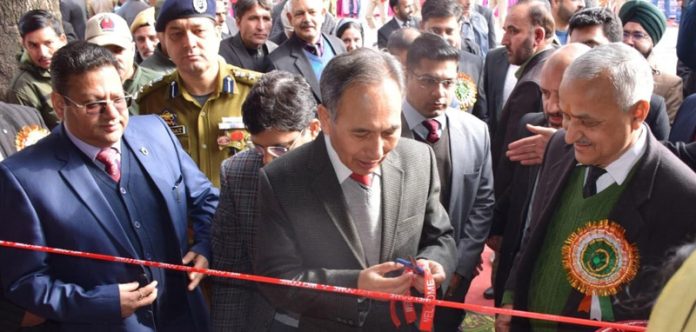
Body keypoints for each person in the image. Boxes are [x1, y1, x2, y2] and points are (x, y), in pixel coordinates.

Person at [0, 41, 217, 331]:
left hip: (186, 317)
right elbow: (26, 281)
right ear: (59, 104)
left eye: (118, 99)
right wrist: (97, 302)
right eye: (94, 104)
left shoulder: (155, 131)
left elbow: (205, 198)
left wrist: (205, 245)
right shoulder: (23, 179)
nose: (113, 114)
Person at [496, 43, 696, 331]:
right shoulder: (557, 147)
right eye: (566, 116)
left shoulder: (682, 199)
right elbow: (534, 233)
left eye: (587, 122)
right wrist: (513, 295)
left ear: (638, 113)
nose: (570, 135)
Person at [254, 48, 457, 331]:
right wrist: (355, 285)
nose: (376, 151)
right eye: (361, 133)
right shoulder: (282, 180)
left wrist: (431, 263)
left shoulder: (419, 159)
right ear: (325, 119)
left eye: (389, 132)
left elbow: (441, 237)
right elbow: (277, 278)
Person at [210, 70, 321, 331]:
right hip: (268, 319)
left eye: (281, 148)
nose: (268, 160)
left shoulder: (344, 168)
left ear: (314, 129)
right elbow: (230, 273)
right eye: (259, 148)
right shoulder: (238, 174)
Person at [401, 33, 494, 331]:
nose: (440, 92)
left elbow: (483, 202)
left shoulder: (476, 131)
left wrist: (459, 266)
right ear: (406, 75)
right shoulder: (384, 131)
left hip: (452, 280)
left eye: (448, 83)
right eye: (428, 81)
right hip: (393, 277)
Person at [490, 43, 591, 306]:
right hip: (513, 273)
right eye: (546, 94)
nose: (552, 106)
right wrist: (493, 228)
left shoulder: (599, 144)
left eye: (561, 95)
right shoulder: (529, 125)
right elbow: (514, 190)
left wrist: (563, 150)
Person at [138, 0, 261, 187]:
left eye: (199, 31)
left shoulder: (257, 91)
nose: (189, 43)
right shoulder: (151, 101)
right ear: (163, 41)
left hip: (244, 211)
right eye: (176, 34)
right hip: (183, 215)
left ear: (217, 34)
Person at [420, 0, 487, 121]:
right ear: (422, 26)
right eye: (435, 31)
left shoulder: (474, 64)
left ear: (459, 28)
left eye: (449, 31)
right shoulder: (408, 63)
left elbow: (481, 115)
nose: (443, 38)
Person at [268, 0, 346, 102]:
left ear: (323, 14)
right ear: (290, 18)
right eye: (300, 14)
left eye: (312, 12)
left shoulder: (338, 45)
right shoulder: (277, 63)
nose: (307, 19)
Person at [619, 0, 684, 123]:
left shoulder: (669, 86)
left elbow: (668, 137)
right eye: (625, 34)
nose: (629, 41)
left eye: (638, 35)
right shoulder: (603, 73)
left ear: (652, 41)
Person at [85, 13, 160, 114]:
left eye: (118, 50)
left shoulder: (159, 86)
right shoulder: (82, 92)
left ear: (132, 49)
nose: (112, 58)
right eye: (102, 52)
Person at [7, 10, 68, 129]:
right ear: (24, 44)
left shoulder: (76, 66)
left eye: (48, 43)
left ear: (62, 40)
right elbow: (31, 138)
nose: (43, 53)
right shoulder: (22, 89)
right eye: (33, 45)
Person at [218, 0, 277, 73]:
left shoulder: (276, 52)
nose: (261, 27)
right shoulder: (220, 53)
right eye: (253, 19)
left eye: (266, 19)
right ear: (238, 22)